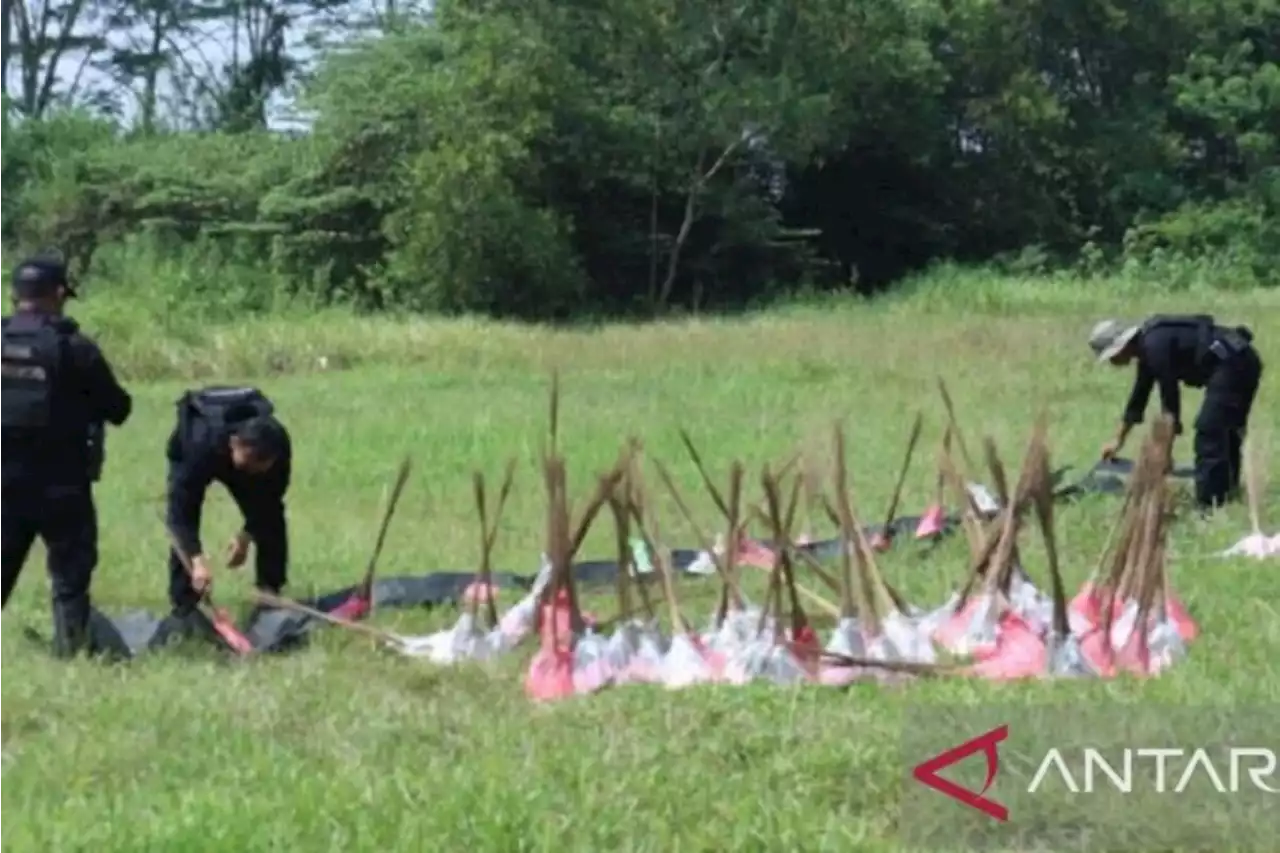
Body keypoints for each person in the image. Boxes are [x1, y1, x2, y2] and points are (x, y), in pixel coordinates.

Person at [0, 254, 132, 656]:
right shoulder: (75, 349)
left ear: (15, 295)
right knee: (70, 574)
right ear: (58, 294)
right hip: (62, 483)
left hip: (3, 482)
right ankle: (72, 651)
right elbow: (119, 409)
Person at [1089, 314, 1263, 509]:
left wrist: (1165, 452)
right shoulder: (1149, 346)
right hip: (1241, 359)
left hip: (1234, 364)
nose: (1112, 363)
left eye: (1111, 356)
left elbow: (1170, 401)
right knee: (1224, 430)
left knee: (1210, 430)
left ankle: (1209, 504)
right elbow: (1139, 396)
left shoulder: (1154, 347)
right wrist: (1118, 440)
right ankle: (1226, 490)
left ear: (1121, 346)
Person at [165, 386, 292, 616]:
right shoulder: (197, 445)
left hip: (238, 455)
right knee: (183, 529)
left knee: (271, 515)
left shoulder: (279, 444)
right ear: (234, 443)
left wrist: (247, 535)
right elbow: (180, 514)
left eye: (262, 468)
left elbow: (272, 499)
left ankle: (269, 593)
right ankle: (184, 606)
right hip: (196, 449)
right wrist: (196, 560)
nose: (255, 472)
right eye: (249, 465)